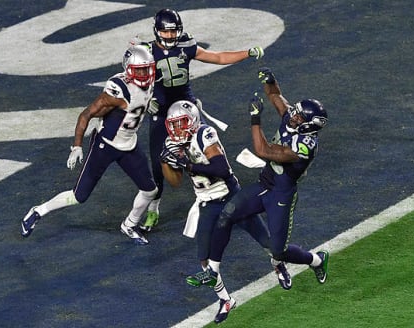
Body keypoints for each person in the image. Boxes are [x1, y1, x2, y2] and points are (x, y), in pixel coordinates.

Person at [188, 67, 330, 295]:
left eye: (299, 116)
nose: (293, 115)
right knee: (226, 215)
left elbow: (262, 150)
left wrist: (255, 119)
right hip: (264, 184)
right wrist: (270, 80)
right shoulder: (292, 119)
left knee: (278, 251)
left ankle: (316, 260)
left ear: (309, 125)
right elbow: (275, 96)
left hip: (281, 195)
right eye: (296, 112)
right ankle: (212, 271)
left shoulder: (304, 146)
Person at [137, 8, 265, 232]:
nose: (170, 36)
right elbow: (134, 80)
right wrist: (146, 101)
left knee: (208, 149)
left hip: (187, 108)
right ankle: (153, 208)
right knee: (158, 163)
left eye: (174, 31)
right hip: (161, 109)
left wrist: (247, 52)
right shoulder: (146, 52)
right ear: (156, 31)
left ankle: (224, 195)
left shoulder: (186, 46)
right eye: (165, 32)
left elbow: (217, 57)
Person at [20, 45, 157, 246]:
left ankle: (129, 225)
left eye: (147, 69)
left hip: (129, 144)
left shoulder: (150, 84)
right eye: (141, 70)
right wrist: (77, 146)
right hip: (106, 145)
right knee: (79, 196)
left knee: (149, 190)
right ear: (128, 70)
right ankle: (38, 210)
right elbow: (86, 114)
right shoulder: (117, 91)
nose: (146, 74)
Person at [159, 100, 272, 324]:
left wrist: (187, 164)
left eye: (181, 124)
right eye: (173, 125)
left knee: (268, 242)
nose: (176, 130)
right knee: (205, 260)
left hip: (230, 196)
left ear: (192, 122)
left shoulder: (205, 133)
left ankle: (280, 266)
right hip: (207, 202)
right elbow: (174, 182)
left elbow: (220, 169)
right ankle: (225, 300)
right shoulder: (172, 142)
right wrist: (165, 161)